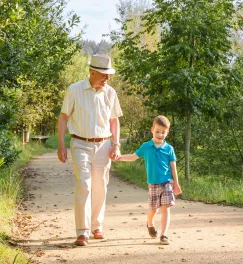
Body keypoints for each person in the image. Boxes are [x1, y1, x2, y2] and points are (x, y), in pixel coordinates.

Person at [57, 54, 123, 246]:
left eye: (109, 74)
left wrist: (116, 143)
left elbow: (114, 120)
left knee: (100, 186)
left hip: (103, 145)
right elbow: (63, 117)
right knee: (84, 185)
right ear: (92, 72)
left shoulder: (110, 93)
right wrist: (61, 144)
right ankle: (82, 231)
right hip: (80, 144)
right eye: (104, 74)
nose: (107, 78)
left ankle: (96, 226)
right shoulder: (74, 90)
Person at [116, 115, 182, 245]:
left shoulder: (169, 149)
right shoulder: (146, 146)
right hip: (153, 184)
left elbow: (173, 168)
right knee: (153, 209)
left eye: (163, 132)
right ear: (152, 129)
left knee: (166, 208)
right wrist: (119, 157)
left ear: (167, 133)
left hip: (167, 182)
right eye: (157, 131)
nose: (160, 134)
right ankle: (150, 223)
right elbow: (133, 157)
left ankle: (164, 234)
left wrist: (176, 184)